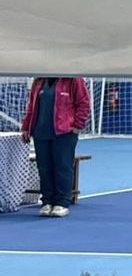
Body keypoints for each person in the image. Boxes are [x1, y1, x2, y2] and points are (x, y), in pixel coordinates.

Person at [21, 76, 91, 217]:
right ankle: (47, 201)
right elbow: (32, 107)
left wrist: (77, 125)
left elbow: (84, 103)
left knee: (62, 167)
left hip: (64, 132)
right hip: (41, 132)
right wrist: (26, 126)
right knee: (44, 168)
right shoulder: (39, 81)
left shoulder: (73, 80)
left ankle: (62, 202)